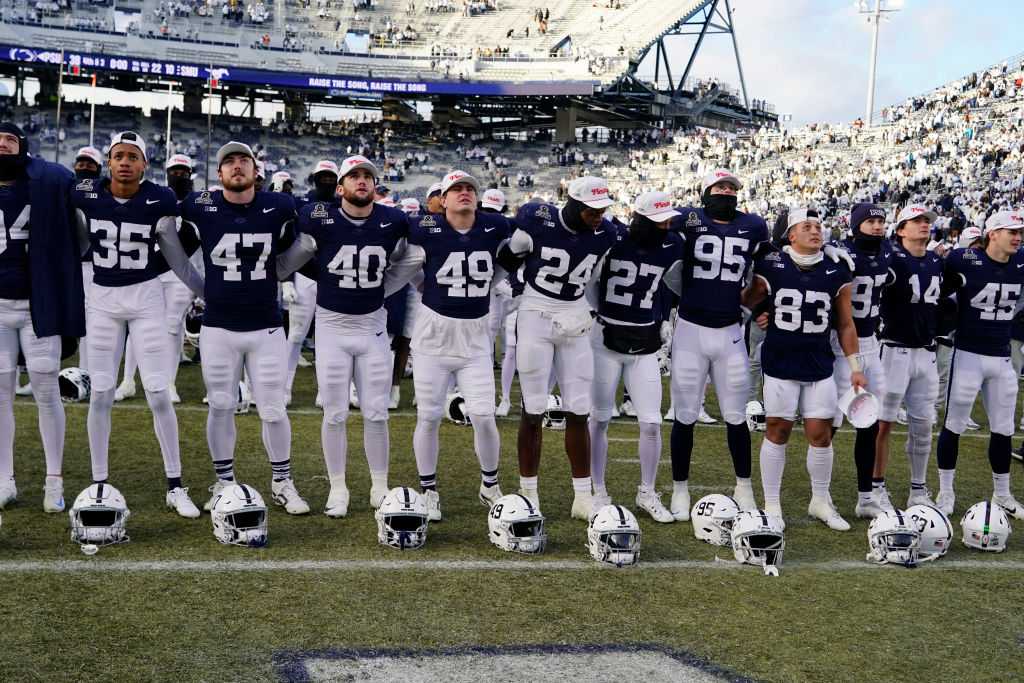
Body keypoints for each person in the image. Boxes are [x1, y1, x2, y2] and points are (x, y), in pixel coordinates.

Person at [173, 141, 309, 515]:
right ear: (219, 174)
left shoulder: (279, 207)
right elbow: (173, 244)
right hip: (219, 326)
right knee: (220, 405)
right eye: (229, 162)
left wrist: (283, 272)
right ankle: (223, 481)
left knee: (273, 408)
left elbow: (298, 244)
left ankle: (282, 481)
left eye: (243, 161)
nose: (236, 167)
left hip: (266, 326)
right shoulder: (200, 206)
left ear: (256, 171)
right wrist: (199, 287)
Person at [71, 131, 199, 518]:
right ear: (109, 162)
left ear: (145, 164)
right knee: (101, 392)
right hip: (103, 301)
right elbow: (76, 244)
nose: (125, 162)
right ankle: (98, 481)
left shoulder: (160, 197)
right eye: (118, 155)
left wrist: (204, 288)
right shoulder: (84, 193)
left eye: (133, 156)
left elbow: (179, 248)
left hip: (146, 300)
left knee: (159, 391)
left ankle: (175, 484)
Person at [276, 155, 404, 517]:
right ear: (341, 185)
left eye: (368, 176)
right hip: (332, 325)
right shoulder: (321, 218)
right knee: (334, 414)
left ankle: (380, 485)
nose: (362, 181)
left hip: (372, 326)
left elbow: (411, 258)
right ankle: (338, 487)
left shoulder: (392, 220)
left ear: (375, 185)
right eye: (354, 176)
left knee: (377, 412)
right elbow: (290, 261)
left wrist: (385, 288)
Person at [383, 171, 509, 520]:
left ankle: (490, 484)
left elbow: (500, 267)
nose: (465, 193)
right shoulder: (427, 229)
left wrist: (487, 285)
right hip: (434, 337)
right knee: (428, 416)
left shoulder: (494, 227)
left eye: (470, 188)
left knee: (484, 415)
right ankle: (428, 489)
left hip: (475, 338)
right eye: (457, 189)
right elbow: (403, 269)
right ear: (444, 198)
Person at [496, 176, 619, 519]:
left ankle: (582, 496)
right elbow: (508, 258)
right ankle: (528, 492)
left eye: (602, 209)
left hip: (575, 314)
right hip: (536, 312)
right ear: (574, 204)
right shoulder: (538, 218)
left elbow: (595, 276)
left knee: (580, 409)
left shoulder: (607, 234)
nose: (599, 216)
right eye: (592, 210)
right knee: (533, 409)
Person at [742, 208, 864, 531]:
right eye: (806, 226)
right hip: (781, 361)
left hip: (819, 363)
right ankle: (771, 503)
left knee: (820, 434)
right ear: (791, 235)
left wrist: (855, 366)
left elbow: (846, 323)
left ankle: (820, 500)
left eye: (818, 226)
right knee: (777, 430)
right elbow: (749, 300)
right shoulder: (771, 264)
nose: (815, 231)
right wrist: (759, 313)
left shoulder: (837, 269)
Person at [666, 169, 767, 519]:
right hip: (691, 329)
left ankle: (744, 487)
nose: (727, 191)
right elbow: (658, 231)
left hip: (730, 331)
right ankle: (680, 488)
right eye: (720, 187)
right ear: (706, 192)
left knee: (737, 416)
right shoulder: (688, 218)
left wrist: (753, 306)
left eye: (732, 188)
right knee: (685, 415)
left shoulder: (753, 225)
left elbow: (768, 267)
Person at [0, 122, 83, 513]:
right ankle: (4, 478)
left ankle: (54, 480)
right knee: (0, 397)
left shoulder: (48, 180)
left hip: (38, 306)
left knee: (47, 392)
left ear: (23, 146)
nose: (2, 145)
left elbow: (80, 226)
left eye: (9, 139)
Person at [587, 191, 683, 522]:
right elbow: (589, 283)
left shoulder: (673, 244)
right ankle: (596, 490)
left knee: (652, 423)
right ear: (638, 219)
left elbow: (678, 282)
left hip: (645, 341)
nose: (665, 226)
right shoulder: (612, 241)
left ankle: (647, 491)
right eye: (658, 221)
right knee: (599, 419)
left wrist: (664, 318)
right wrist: (592, 314)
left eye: (667, 220)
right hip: (606, 338)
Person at [934, 210, 1024, 520]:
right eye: (1011, 231)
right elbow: (936, 285)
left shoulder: (1020, 262)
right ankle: (946, 492)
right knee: (954, 424)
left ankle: (1003, 494)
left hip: (1001, 357)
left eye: (1020, 232)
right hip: (968, 354)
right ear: (993, 234)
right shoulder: (963, 260)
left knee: (1003, 428)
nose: (1017, 237)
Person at [873, 204, 945, 516]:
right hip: (893, 351)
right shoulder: (891, 259)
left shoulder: (935, 261)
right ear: (901, 229)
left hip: (926, 353)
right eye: (916, 221)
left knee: (923, 424)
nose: (923, 225)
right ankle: (876, 487)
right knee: (883, 424)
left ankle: (918, 488)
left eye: (926, 221)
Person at [115, 153, 198, 404]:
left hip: (180, 273)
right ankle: (128, 380)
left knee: (172, 327)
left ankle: (169, 382)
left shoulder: (196, 202)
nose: (179, 176)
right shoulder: (153, 196)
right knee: (135, 323)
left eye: (184, 172)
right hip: (152, 268)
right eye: (175, 171)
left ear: (191, 175)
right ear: (166, 172)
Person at [830, 203, 892, 517]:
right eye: (871, 221)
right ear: (857, 225)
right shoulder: (841, 254)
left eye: (881, 221)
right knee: (831, 423)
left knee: (871, 423)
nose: (878, 226)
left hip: (872, 344)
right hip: (842, 344)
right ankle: (821, 493)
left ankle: (866, 497)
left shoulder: (887, 254)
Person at [282, 160, 339, 405]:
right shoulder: (299, 204)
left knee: (329, 338)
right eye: (322, 176)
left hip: (334, 277)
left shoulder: (343, 207)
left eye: (330, 176)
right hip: (305, 274)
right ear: (314, 178)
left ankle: (326, 392)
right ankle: (283, 389)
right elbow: (284, 241)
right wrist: (286, 279)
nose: (326, 180)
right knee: (295, 335)